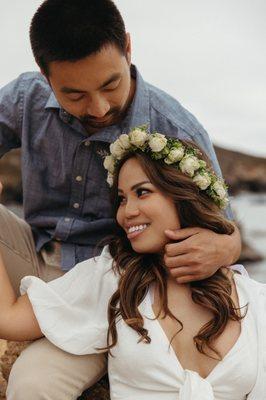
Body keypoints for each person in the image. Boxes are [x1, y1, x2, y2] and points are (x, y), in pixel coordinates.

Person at [0, 0, 241, 398]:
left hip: (113, 286)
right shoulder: (27, 96)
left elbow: (223, 227)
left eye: (110, 84)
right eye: (74, 94)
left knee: (34, 382)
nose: (97, 107)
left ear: (128, 47)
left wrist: (226, 245)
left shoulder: (175, 128)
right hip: (33, 250)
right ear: (45, 75)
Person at [0, 130, 264, 399]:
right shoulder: (114, 277)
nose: (127, 212)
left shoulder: (254, 299)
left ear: (184, 194)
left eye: (142, 192)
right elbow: (8, 319)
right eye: (123, 199)